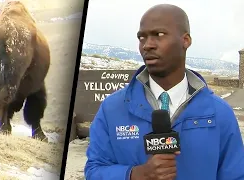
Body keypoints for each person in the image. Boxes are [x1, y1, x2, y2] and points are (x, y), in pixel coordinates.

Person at [84, 3, 244, 180]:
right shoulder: (112, 109)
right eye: (142, 37)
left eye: (159, 35)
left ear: (186, 40)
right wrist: (135, 174)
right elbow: (94, 171)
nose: (147, 45)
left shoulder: (220, 113)